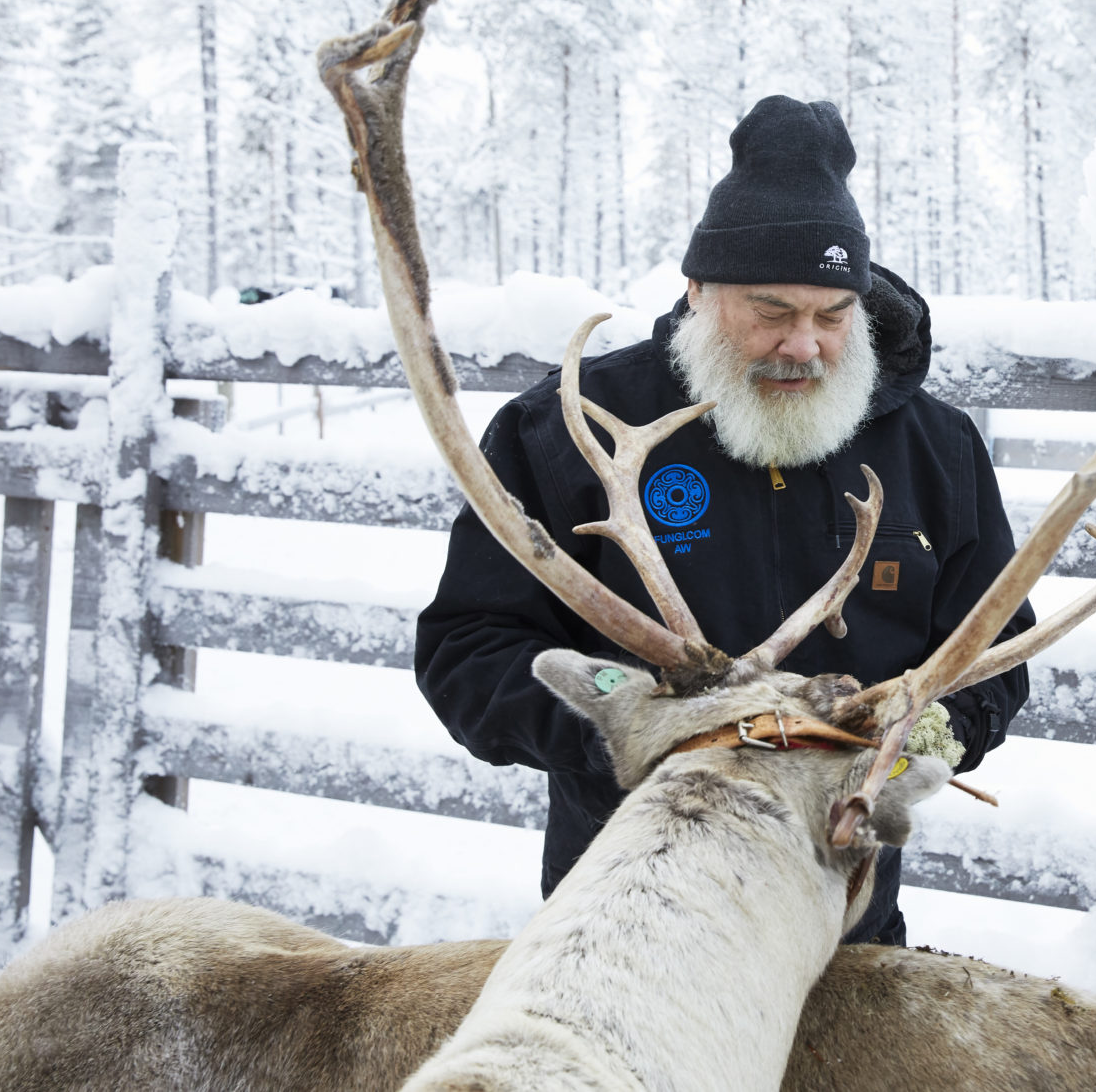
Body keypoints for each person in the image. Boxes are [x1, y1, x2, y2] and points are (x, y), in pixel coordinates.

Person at [416, 94, 1031, 946]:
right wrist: (629, 725)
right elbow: (465, 653)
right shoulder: (566, 430)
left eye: (832, 314)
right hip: (626, 913)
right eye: (772, 312)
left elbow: (995, 654)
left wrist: (929, 734)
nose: (804, 344)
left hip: (839, 924)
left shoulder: (939, 450)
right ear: (699, 289)